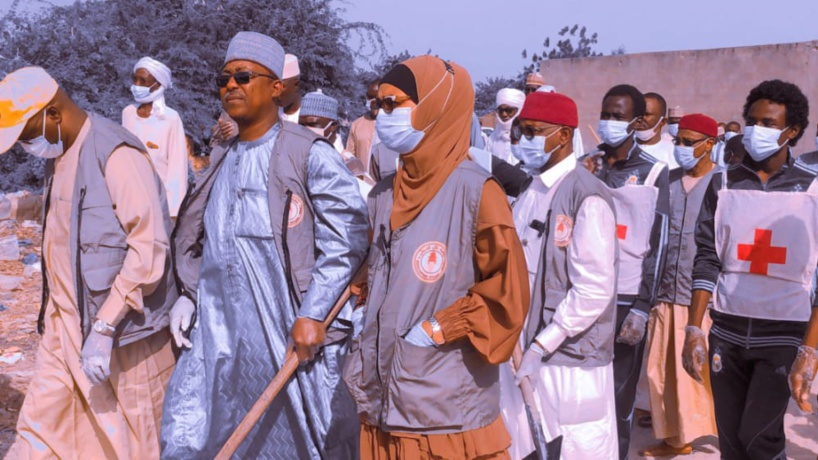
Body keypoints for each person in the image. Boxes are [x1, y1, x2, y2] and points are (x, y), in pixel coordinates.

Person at [160, 31, 368, 459]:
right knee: (193, 429)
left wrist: (314, 312)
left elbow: (347, 238)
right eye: (224, 79)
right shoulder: (223, 155)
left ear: (276, 88)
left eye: (243, 76)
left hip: (286, 333)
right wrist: (188, 293)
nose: (231, 86)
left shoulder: (307, 154)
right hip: (218, 337)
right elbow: (201, 239)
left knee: (302, 440)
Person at [342, 55, 529, 460]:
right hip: (382, 393)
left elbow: (506, 292)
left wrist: (439, 326)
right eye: (379, 106)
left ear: (434, 105)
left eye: (395, 105)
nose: (383, 115)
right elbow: (377, 270)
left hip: (442, 399)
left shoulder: (477, 191)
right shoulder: (383, 194)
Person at [2, 66, 177, 459]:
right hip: (63, 327)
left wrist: (104, 326)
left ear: (53, 114)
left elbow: (148, 246)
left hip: (125, 334)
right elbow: (66, 216)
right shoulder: (60, 153)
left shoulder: (115, 153)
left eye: (27, 135)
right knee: (40, 429)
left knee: (136, 437)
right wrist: (11, 206)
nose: (27, 146)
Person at [684, 80, 818, 460]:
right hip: (726, 330)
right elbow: (708, 256)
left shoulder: (812, 189)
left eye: (769, 123)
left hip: (783, 334)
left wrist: (810, 348)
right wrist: (694, 328)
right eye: (752, 121)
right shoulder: (722, 184)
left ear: (792, 132)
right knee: (730, 440)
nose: (757, 130)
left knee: (760, 437)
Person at [511, 91, 619, 459]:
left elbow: (594, 288)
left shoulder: (586, 196)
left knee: (573, 447)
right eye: (521, 131)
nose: (524, 140)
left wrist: (544, 343)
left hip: (569, 357)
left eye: (533, 131)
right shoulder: (530, 190)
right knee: (528, 446)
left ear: (562, 135)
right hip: (526, 349)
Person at [594, 84, 669, 459]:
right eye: (605, 114)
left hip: (625, 299)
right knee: (583, 393)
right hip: (586, 296)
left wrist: (642, 306)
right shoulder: (588, 167)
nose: (608, 123)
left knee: (618, 396)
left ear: (637, 122)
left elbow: (659, 244)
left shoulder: (655, 173)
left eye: (618, 117)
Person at [640, 114, 719, 457]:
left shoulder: (722, 183)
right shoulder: (667, 182)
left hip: (701, 294)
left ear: (709, 144)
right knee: (660, 370)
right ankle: (674, 436)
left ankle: (689, 435)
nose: (682, 149)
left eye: (690, 142)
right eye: (679, 142)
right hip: (665, 290)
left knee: (695, 371)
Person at [122, 56, 188, 219]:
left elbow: (177, 169)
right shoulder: (128, 113)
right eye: (135, 79)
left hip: (157, 205)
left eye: (143, 81)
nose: (137, 85)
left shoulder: (170, 118)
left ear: (158, 84)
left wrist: (173, 214)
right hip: (127, 201)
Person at [299, 89, 374, 197]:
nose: (306, 130)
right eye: (301, 125)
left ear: (333, 126)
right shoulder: (297, 154)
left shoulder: (349, 164)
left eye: (312, 124)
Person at [635, 92, 677, 170]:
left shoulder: (674, 155)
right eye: (637, 114)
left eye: (646, 114)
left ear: (662, 122)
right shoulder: (621, 149)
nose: (640, 119)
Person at [346, 79, 380, 171]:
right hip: (364, 182)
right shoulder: (356, 125)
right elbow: (350, 158)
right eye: (370, 97)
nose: (373, 101)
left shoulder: (393, 125)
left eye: (376, 97)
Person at [486, 88, 525, 164]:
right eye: (501, 110)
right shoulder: (493, 137)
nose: (504, 114)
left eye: (509, 110)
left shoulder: (527, 137)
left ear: (519, 110)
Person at [278, 53, 301, 123]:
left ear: (296, 84)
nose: (276, 91)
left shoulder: (306, 118)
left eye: (282, 86)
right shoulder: (270, 114)